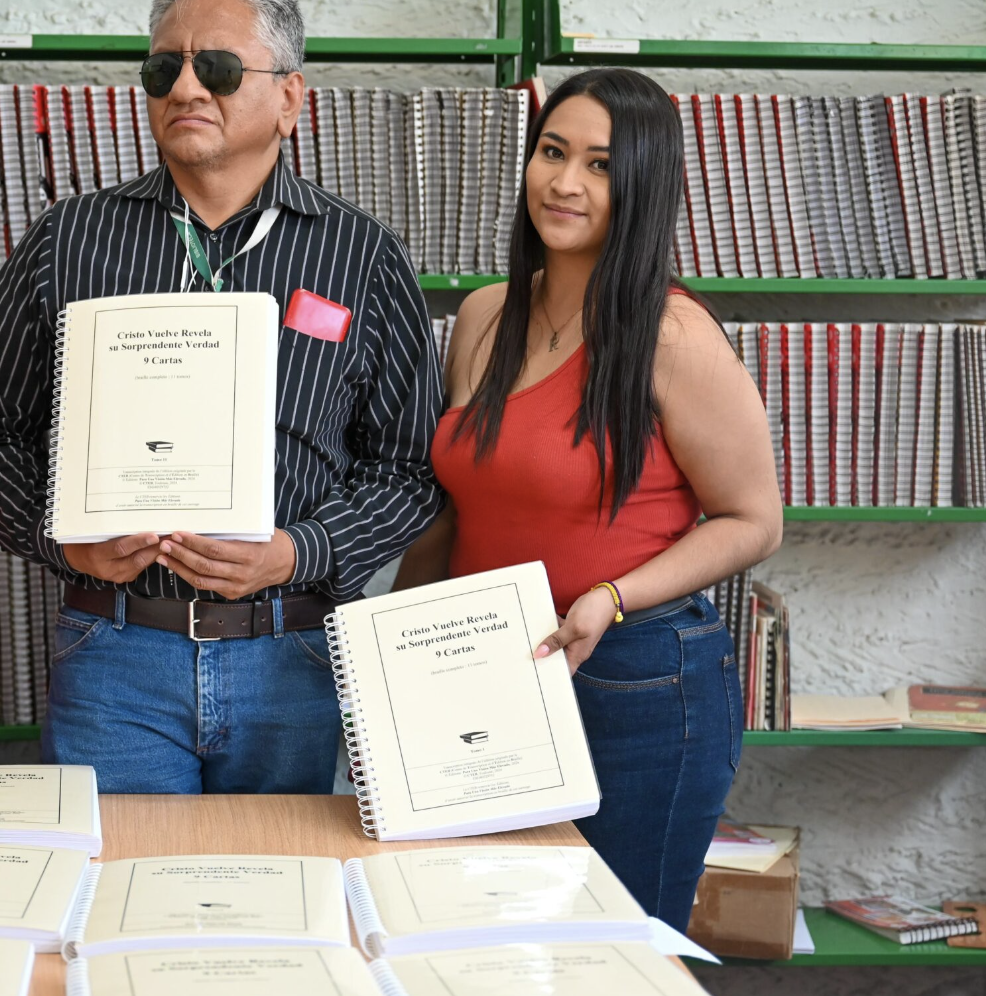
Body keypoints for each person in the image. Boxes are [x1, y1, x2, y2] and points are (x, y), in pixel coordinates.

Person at [0, 0, 442, 794]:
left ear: (290, 98)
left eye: (215, 67)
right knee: (117, 901)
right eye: (162, 68)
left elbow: (407, 471)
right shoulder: (67, 239)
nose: (184, 86)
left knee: (276, 904)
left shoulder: (363, 257)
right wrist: (61, 543)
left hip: (292, 652)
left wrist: (297, 552)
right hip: (115, 650)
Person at [393, 67, 782, 930]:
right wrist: (383, 647)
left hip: (638, 681)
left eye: (601, 165)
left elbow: (756, 521)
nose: (565, 182)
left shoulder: (673, 335)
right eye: (552, 152)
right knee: (479, 944)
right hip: (487, 677)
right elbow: (458, 513)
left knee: (615, 957)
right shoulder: (484, 316)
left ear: (643, 183)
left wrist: (611, 596)